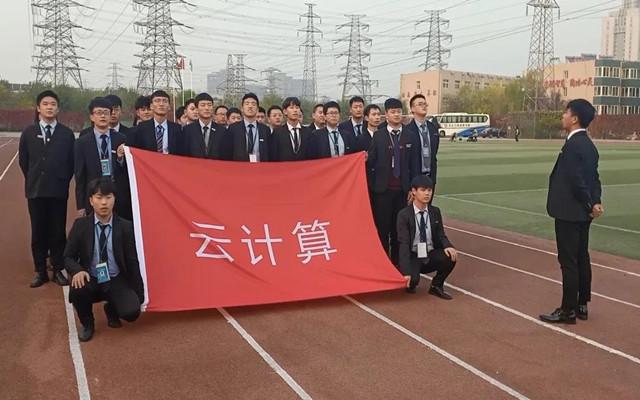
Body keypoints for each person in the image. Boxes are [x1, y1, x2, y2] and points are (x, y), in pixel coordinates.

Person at [540, 99, 603, 325]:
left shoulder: (573, 145)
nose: (563, 116)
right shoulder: (589, 146)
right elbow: (594, 178)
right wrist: (595, 202)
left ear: (574, 118)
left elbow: (577, 180)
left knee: (569, 261)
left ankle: (567, 310)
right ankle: (582, 304)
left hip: (569, 211)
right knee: (582, 256)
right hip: (583, 213)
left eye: (566, 113)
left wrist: (588, 202)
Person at [65, 178, 144, 342]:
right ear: (91, 200)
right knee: (78, 289)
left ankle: (112, 309)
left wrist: (140, 294)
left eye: (108, 197)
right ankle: (88, 323)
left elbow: (132, 261)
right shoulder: (80, 226)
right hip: (90, 277)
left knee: (132, 312)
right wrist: (77, 270)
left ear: (114, 199)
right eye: (99, 197)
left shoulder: (125, 227)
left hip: (115, 278)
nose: (104, 203)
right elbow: (67, 256)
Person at [18, 90, 73, 288]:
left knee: (58, 231)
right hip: (36, 191)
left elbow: (70, 163)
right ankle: (40, 270)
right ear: (38, 108)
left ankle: (58, 269)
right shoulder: (29, 133)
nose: (49, 107)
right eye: (45, 104)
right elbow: (24, 161)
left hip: (58, 190)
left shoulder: (66, 134)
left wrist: (61, 180)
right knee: (38, 231)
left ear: (58, 108)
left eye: (53, 104)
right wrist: (34, 179)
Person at [367, 98, 420, 265]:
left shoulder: (410, 136)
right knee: (382, 229)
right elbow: (371, 163)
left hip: (403, 191)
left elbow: (415, 165)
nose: (396, 115)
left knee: (400, 230)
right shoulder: (379, 136)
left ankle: (398, 263)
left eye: (399, 111)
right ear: (386, 114)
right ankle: (383, 263)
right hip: (382, 191)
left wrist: (413, 189)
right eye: (393, 112)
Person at [397, 176, 457, 297]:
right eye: (423, 190)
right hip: (414, 255)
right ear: (414, 191)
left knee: (451, 256)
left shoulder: (435, 212)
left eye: (429, 190)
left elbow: (441, 234)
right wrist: (406, 271)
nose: (427, 193)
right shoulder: (404, 215)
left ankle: (436, 286)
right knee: (412, 282)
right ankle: (410, 278)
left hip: (429, 254)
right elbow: (403, 244)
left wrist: (448, 246)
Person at [75, 98, 128, 219]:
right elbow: (80, 176)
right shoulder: (82, 142)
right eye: (99, 113)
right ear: (92, 117)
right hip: (94, 194)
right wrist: (80, 205)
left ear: (110, 116)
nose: (103, 116)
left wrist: (120, 159)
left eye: (106, 113)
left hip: (116, 194)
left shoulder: (121, 139)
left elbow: (126, 170)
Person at [130, 90, 183, 155]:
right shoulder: (140, 129)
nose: (161, 104)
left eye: (165, 101)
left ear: (169, 106)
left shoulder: (178, 129)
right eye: (157, 101)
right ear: (151, 106)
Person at [404, 94, 439, 190]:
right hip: (414, 178)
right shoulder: (407, 130)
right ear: (412, 109)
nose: (423, 106)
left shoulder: (433, 128)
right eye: (420, 104)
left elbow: (434, 152)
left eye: (425, 104)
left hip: (430, 177)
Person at [183, 92, 229, 160]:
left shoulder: (222, 131)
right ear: (197, 109)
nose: (207, 108)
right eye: (203, 105)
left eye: (209, 105)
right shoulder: (188, 130)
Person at [228, 93, 270, 162]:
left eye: (253, 104)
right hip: (239, 166)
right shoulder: (233, 128)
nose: (250, 106)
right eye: (247, 104)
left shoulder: (265, 129)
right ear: (242, 108)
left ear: (257, 109)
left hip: (260, 167)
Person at [270, 97, 313, 161]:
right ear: (285, 111)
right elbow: (274, 156)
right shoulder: (277, 133)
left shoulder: (308, 132)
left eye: (297, 108)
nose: (295, 110)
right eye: (292, 108)